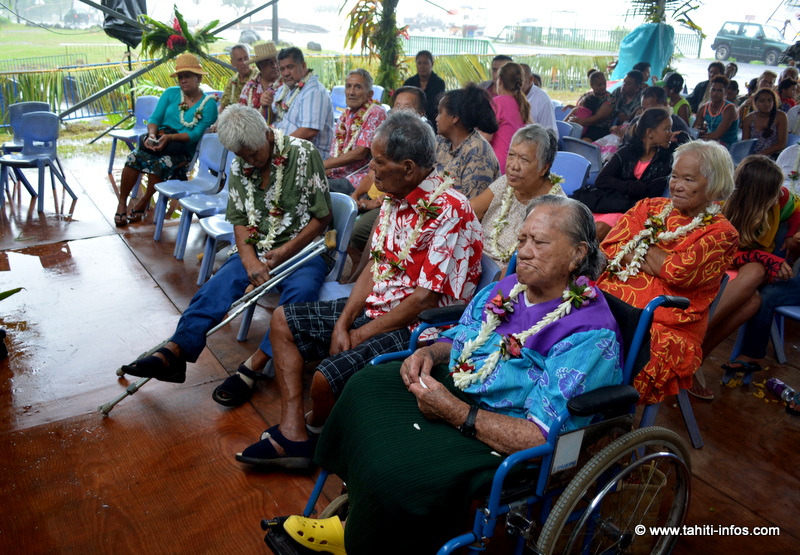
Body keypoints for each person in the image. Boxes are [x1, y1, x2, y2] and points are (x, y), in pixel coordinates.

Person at [279, 195, 623, 554]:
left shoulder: (588, 335)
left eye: (539, 242)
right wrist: (427, 352)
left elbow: (539, 436)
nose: (523, 251)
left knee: (398, 462)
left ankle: (361, 537)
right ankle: (364, 511)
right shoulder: (510, 288)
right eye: (521, 240)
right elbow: (462, 335)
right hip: (456, 389)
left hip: (494, 433)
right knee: (364, 386)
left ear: (577, 254)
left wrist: (457, 413)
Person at [235, 111, 484, 469]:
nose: (372, 170)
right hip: (379, 307)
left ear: (409, 168)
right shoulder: (395, 196)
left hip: (417, 326)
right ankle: (295, 434)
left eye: (379, 162)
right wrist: (345, 321)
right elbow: (375, 264)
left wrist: (360, 332)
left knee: (323, 379)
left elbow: (424, 299)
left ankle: (321, 433)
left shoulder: (451, 211)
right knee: (281, 321)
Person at [120, 106, 333, 406]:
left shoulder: (303, 154)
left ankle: (253, 366)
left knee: (301, 294)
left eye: (253, 153)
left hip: (302, 251)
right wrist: (249, 260)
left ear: (266, 133)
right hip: (257, 247)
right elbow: (239, 218)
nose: (248, 160)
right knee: (216, 286)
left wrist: (285, 250)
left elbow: (321, 218)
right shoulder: (241, 162)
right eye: (241, 155)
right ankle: (176, 351)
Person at [597, 141, 738, 404]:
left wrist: (639, 246)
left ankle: (598, 426)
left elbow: (677, 273)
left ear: (714, 182)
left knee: (602, 357)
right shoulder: (649, 207)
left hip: (666, 324)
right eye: (674, 176)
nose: (677, 185)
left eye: (689, 179)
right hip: (609, 304)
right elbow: (612, 246)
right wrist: (656, 260)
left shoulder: (721, 233)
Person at [696, 156, 799, 389]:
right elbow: (721, 255)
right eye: (774, 192)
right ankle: (693, 340)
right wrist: (764, 257)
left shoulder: (780, 199)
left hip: (746, 273)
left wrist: (792, 234)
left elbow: (797, 212)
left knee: (754, 299)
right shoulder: (720, 207)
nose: (779, 194)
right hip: (714, 267)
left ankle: (692, 357)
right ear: (758, 196)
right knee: (755, 274)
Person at [113, 53, 217, 227]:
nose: (183, 80)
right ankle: (122, 202)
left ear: (198, 78)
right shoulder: (170, 94)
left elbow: (195, 135)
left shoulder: (208, 103)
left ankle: (145, 200)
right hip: (160, 142)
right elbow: (154, 119)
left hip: (182, 151)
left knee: (161, 164)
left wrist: (170, 138)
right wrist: (153, 135)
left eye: (188, 76)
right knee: (133, 158)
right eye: (180, 77)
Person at [574, 107, 688, 241]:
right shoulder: (627, 152)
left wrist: (683, 137)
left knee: (596, 231)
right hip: (611, 204)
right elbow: (602, 180)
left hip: (632, 212)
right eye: (667, 129)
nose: (670, 133)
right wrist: (631, 186)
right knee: (576, 227)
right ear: (650, 133)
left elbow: (691, 153)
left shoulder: (667, 158)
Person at [346, 86, 430, 266]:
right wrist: (356, 196)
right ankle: (356, 267)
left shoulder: (419, 145)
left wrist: (376, 202)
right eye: (396, 106)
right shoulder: (385, 137)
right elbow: (371, 172)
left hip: (388, 200)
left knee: (359, 230)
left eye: (405, 107)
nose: (399, 112)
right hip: (380, 198)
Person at [471, 124, 563, 271]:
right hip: (475, 260)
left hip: (508, 276)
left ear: (544, 168)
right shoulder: (505, 183)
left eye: (524, 160)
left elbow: (533, 262)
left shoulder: (552, 207)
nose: (513, 166)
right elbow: (469, 211)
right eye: (511, 155)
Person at [324, 69, 386, 195]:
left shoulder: (376, 112)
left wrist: (321, 164)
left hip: (357, 180)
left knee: (311, 187)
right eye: (348, 86)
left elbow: (360, 153)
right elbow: (335, 154)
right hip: (337, 176)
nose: (351, 92)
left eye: (358, 87)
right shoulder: (345, 115)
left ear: (370, 94)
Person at [435, 84, 500, 198]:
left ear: (455, 117)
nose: (436, 118)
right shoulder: (441, 142)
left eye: (440, 113)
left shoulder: (478, 152)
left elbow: (473, 209)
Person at [272, 47, 334, 158]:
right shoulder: (285, 89)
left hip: (308, 157)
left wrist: (279, 148)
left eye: (290, 67)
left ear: (303, 66)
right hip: (287, 149)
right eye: (282, 69)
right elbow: (273, 117)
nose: (285, 73)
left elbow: (309, 131)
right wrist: (265, 105)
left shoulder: (314, 91)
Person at [486, 62, 530, 174]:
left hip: (497, 164)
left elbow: (486, 137)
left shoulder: (497, 102)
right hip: (515, 164)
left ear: (499, 81)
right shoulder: (522, 104)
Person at [402, 50, 446, 130]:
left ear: (432, 64)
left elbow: (436, 106)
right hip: (410, 121)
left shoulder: (439, 83)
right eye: (419, 63)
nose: (422, 66)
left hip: (433, 123)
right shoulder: (409, 83)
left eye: (425, 63)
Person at [238, 41, 279, 122]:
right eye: (269, 62)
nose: (274, 65)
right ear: (259, 66)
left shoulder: (286, 85)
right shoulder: (249, 87)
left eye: (276, 61)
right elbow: (241, 114)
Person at [741, 88, 788, 158]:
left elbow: (781, 144)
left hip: (773, 157)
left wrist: (760, 155)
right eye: (762, 101)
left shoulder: (781, 116)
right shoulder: (749, 119)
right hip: (752, 157)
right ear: (755, 103)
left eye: (769, 100)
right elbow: (745, 144)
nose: (766, 104)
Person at [694, 75, 739, 147]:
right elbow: (695, 130)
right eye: (713, 90)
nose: (715, 93)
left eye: (719, 90)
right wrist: (699, 131)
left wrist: (701, 136)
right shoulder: (703, 108)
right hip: (710, 142)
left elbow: (717, 134)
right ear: (709, 90)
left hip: (728, 146)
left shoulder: (730, 108)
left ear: (725, 92)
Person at [568, 70, 613, 141]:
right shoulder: (586, 96)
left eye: (604, 83)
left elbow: (598, 117)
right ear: (592, 85)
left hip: (599, 128)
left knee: (582, 141)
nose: (603, 87)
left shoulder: (610, 98)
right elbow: (580, 110)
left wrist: (579, 121)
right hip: (583, 125)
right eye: (599, 85)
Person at [520, 62, 557, 134]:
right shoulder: (512, 95)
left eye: (520, 79)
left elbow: (550, 135)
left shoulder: (543, 101)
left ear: (531, 79)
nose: (517, 83)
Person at [219, 44, 251, 113]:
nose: (244, 62)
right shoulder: (232, 81)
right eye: (240, 60)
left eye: (246, 58)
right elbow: (222, 107)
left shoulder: (257, 77)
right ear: (233, 63)